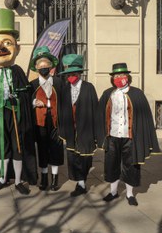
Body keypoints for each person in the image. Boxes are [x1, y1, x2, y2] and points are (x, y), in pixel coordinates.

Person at [0, 8, 37, 195]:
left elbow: (27, 95)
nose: (0, 48)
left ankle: (18, 180)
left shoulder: (18, 71)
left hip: (16, 115)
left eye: (7, 43)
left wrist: (17, 98)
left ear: (17, 48)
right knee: (2, 146)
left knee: (18, 147)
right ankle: (3, 178)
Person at [98, 63, 161, 206]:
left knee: (131, 165)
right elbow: (99, 113)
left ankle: (130, 194)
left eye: (122, 75)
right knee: (111, 164)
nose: (119, 78)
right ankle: (113, 192)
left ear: (127, 77)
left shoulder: (137, 93)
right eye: (116, 76)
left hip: (130, 136)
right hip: (113, 136)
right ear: (112, 78)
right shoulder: (108, 93)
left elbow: (145, 116)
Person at [58, 54, 98, 197]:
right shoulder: (64, 88)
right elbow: (62, 110)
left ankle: (82, 182)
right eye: (68, 74)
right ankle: (79, 181)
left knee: (85, 156)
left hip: (86, 129)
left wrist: (96, 133)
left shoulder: (89, 88)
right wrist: (62, 129)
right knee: (73, 155)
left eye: (74, 74)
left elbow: (95, 110)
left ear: (80, 73)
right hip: (71, 129)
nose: (71, 76)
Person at [29, 46, 64, 191]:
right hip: (40, 122)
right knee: (42, 148)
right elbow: (27, 100)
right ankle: (43, 178)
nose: (44, 68)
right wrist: (33, 102)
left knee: (56, 148)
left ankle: (55, 179)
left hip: (56, 121)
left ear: (51, 67)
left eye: (46, 66)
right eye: (41, 66)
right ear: (36, 68)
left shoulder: (59, 83)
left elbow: (64, 101)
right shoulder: (32, 85)